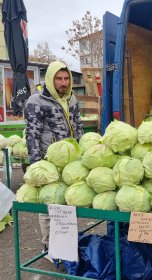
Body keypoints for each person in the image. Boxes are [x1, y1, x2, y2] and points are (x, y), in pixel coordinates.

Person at [24, 61, 84, 261]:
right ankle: (49, 246)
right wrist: (36, 165)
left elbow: (78, 125)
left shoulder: (71, 99)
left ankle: (65, 244)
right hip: (48, 160)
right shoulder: (36, 101)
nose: (63, 83)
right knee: (49, 203)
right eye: (59, 78)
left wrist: (82, 151)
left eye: (66, 78)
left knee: (67, 200)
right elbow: (32, 135)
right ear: (50, 79)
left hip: (70, 158)